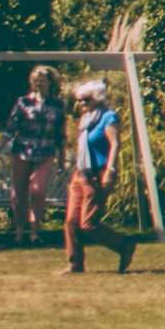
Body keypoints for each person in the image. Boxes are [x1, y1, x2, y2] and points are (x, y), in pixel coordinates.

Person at [63, 77, 141, 276]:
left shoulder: (108, 117)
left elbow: (115, 144)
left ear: (97, 97)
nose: (82, 104)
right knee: (71, 221)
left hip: (98, 174)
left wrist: (111, 170)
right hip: (80, 174)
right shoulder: (85, 119)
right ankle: (75, 264)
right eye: (79, 100)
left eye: (85, 99)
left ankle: (124, 246)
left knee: (88, 223)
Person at [0, 67, 67, 244]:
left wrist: (62, 157)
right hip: (21, 151)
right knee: (18, 195)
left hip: (45, 152)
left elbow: (61, 133)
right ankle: (20, 233)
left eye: (42, 80)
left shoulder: (58, 104)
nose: (38, 83)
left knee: (38, 190)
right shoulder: (23, 102)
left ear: (51, 83)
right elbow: (11, 128)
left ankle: (34, 232)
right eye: (35, 80)